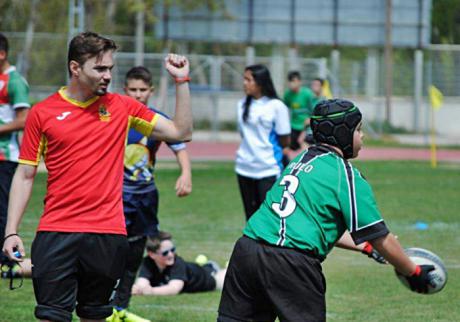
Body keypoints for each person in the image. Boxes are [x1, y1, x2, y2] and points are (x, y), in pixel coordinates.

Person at [2, 31, 192, 322]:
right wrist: (11, 230)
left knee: (96, 316)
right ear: (75, 68)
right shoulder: (43, 113)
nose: (107, 76)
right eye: (100, 68)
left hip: (108, 235)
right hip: (56, 233)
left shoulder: (124, 107)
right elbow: (25, 175)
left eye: (110, 69)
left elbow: (181, 132)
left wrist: (181, 81)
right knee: (51, 317)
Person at [218, 99, 435, 322]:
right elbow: (381, 237)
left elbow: (316, 224)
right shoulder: (346, 175)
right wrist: (414, 272)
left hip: (247, 250)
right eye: (358, 130)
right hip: (291, 264)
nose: (362, 137)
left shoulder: (300, 161)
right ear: (342, 132)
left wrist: (367, 248)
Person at [106, 66, 192, 322]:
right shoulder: (112, 115)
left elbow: (180, 146)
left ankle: (120, 309)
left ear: (151, 91)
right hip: (116, 196)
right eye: (133, 89)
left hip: (145, 198)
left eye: (143, 90)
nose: (138, 94)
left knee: (134, 256)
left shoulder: (154, 119)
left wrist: (185, 173)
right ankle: (101, 305)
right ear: (124, 90)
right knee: (111, 252)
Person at [235, 64, 290, 221]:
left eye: (248, 79)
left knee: (269, 218)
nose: (245, 83)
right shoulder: (241, 105)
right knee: (251, 218)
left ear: (260, 82)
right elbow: (243, 134)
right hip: (244, 167)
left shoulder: (276, 106)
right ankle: (251, 246)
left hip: (268, 169)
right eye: (244, 79)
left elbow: (284, 139)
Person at [0, 32, 30, 267]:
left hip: (5, 156)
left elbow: (23, 120)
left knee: (3, 209)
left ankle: (6, 261)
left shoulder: (15, 82)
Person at [131, 231, 226, 296]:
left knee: (230, 280)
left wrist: (151, 291)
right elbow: (142, 283)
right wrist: (138, 289)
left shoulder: (177, 262)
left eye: (172, 250)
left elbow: (174, 288)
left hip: (211, 276)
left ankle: (213, 266)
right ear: (152, 254)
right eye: (165, 253)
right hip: (197, 269)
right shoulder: (147, 262)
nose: (171, 254)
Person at [283, 71, 314, 153]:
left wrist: (309, 121)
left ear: (299, 82)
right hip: (293, 127)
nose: (291, 83)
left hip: (306, 127)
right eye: (290, 81)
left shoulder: (307, 93)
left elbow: (313, 111)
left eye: (293, 81)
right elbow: (283, 108)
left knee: (305, 150)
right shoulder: (287, 94)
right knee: (290, 151)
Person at [304, 77, 326, 145]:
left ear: (321, 87)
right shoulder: (309, 99)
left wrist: (310, 119)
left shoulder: (324, 101)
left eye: (316, 85)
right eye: (313, 84)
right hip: (309, 130)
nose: (314, 87)